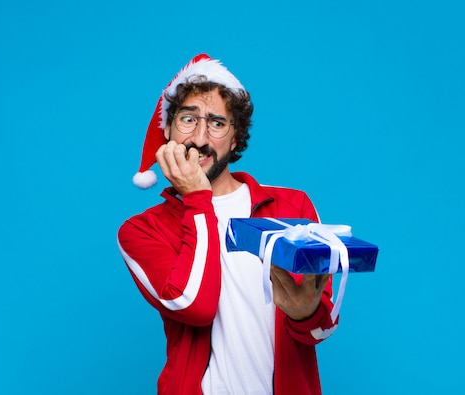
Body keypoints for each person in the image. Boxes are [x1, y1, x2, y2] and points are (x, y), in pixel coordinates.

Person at [117, 54, 338, 395]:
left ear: (235, 139)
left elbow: (318, 330)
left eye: (217, 123)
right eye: (188, 119)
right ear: (168, 129)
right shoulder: (142, 231)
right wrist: (196, 198)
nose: (200, 138)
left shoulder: (292, 207)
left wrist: (304, 314)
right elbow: (195, 306)